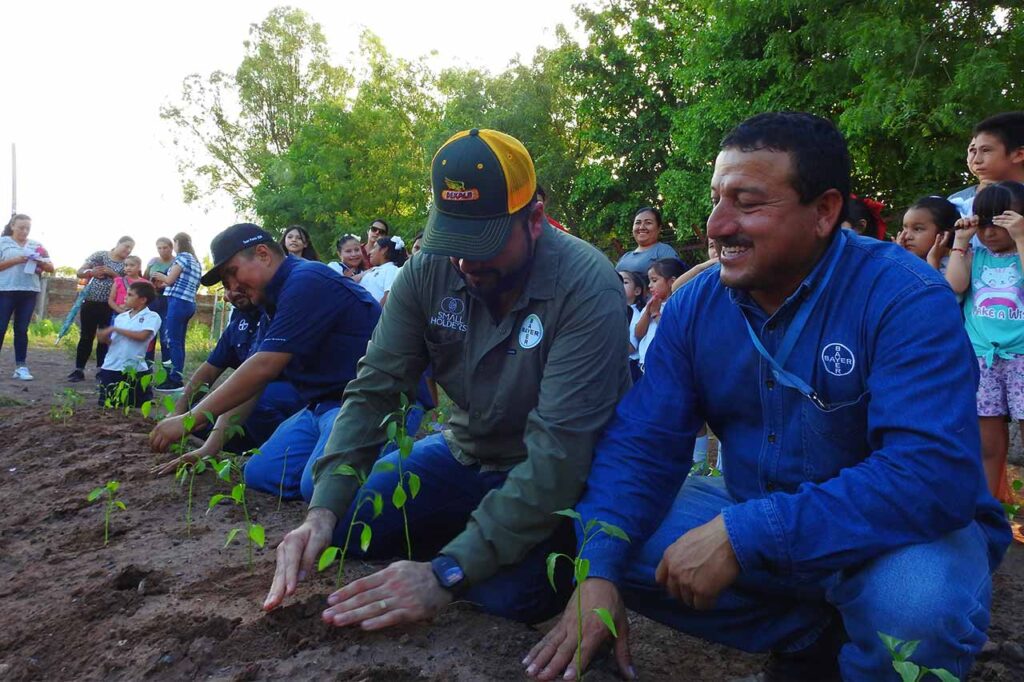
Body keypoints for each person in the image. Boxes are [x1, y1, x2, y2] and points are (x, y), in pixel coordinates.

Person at [524, 112, 1011, 682]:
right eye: (716, 199)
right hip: (754, 512)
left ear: (826, 212)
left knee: (916, 610)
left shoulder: (905, 297)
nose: (717, 225)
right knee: (598, 536)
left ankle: (866, 640)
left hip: (896, 540)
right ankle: (816, 637)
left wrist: (747, 533)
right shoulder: (695, 305)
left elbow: (929, 477)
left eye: (748, 203)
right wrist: (597, 575)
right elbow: (642, 445)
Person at [262, 128, 630, 630]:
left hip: (555, 474)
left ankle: (481, 540)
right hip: (464, 454)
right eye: (453, 240)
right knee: (341, 519)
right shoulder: (426, 272)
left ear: (536, 220)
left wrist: (443, 574)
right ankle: (481, 532)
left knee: (501, 596)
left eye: (485, 243)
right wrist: (320, 513)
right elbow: (374, 390)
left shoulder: (586, 284)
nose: (466, 262)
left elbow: (559, 455)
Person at [148, 223, 379, 501]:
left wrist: (187, 421)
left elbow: (263, 367)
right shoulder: (272, 303)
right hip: (322, 406)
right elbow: (254, 383)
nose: (232, 288)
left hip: (371, 401)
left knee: (315, 487)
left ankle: (391, 457)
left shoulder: (306, 280)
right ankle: (341, 463)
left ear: (263, 254)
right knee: (260, 474)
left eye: (232, 273)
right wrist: (208, 448)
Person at [151, 288, 305, 475]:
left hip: (294, 399)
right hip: (251, 400)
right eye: (227, 287)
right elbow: (209, 371)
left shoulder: (279, 317)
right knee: (202, 418)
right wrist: (180, 412)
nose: (231, 293)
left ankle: (286, 454)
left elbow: (252, 382)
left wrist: (207, 450)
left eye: (240, 285)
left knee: (256, 402)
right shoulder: (239, 322)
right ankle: (248, 447)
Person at [945, 181, 1024, 504]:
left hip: (1021, 355)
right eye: (983, 221)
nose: (989, 231)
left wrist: (1020, 236)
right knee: (987, 441)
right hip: (982, 355)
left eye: (1000, 221)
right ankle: (989, 507)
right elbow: (955, 286)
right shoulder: (977, 253)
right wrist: (961, 242)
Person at [69, 236, 135, 383]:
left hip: (110, 305)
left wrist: (113, 274)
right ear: (118, 244)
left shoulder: (127, 264)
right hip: (90, 302)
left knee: (104, 338)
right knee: (86, 336)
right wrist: (91, 272)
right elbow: (80, 271)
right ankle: (78, 370)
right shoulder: (100, 255)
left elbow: (128, 283)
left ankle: (101, 370)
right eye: (126, 246)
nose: (128, 250)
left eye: (131, 248)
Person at [0, 214, 53, 380]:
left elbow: (51, 267)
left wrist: (40, 262)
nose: (24, 231)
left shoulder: (36, 245)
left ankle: (21, 367)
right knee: (1, 327)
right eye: (21, 227)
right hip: (6, 290)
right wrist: (17, 260)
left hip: (29, 291)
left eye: (27, 228)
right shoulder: (3, 243)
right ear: (12, 226)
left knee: (22, 330)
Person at [95, 281, 161, 408]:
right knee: (108, 406)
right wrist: (103, 338)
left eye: (130, 295)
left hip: (134, 369)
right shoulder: (121, 317)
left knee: (134, 406)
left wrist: (115, 329)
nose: (125, 297)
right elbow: (115, 342)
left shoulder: (152, 317)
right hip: (112, 366)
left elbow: (142, 337)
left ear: (142, 300)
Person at [150, 232, 201, 389]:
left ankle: (174, 380)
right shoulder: (196, 262)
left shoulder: (182, 257)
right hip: (188, 303)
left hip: (177, 303)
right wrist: (165, 285)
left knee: (173, 342)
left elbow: (170, 279)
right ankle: (176, 376)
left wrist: (159, 276)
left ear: (177, 242)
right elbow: (180, 283)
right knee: (179, 343)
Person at [948, 112, 1024, 216]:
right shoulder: (957, 202)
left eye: (986, 150)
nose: (976, 160)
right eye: (973, 151)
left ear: (1019, 155)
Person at [634, 258, 687, 372]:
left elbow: (671, 331)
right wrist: (648, 313)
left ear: (672, 282)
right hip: (645, 364)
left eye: (654, 280)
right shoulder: (651, 305)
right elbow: (638, 333)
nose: (649, 285)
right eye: (649, 281)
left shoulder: (678, 305)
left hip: (666, 365)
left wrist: (655, 314)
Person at [896, 196, 959, 273]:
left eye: (917, 229)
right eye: (905, 228)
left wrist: (933, 261)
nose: (907, 236)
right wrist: (901, 257)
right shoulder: (909, 260)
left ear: (943, 235)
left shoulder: (956, 264)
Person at [615, 206, 680, 273]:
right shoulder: (626, 256)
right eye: (638, 223)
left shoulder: (664, 251)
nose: (641, 227)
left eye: (648, 223)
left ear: (659, 228)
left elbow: (674, 281)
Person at [145, 237, 175, 364]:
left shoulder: (176, 262)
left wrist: (166, 284)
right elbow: (145, 278)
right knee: (149, 335)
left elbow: (178, 282)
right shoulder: (153, 262)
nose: (162, 250)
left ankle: (167, 372)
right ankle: (145, 369)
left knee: (165, 337)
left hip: (168, 301)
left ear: (171, 248)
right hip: (152, 300)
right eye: (159, 248)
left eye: (165, 247)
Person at [359, 235, 407, 305]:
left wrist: (377, 315)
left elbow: (388, 296)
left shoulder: (391, 269)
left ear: (384, 250)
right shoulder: (373, 270)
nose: (370, 252)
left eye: (374, 247)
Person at [619, 270, 646, 382]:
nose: (619, 284)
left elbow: (631, 347)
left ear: (637, 291)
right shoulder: (615, 310)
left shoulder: (635, 314)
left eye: (624, 282)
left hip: (629, 366)